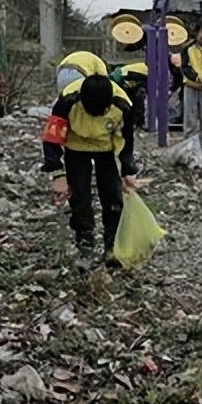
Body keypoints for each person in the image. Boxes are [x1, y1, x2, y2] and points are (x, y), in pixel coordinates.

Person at [41, 73, 138, 268]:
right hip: (76, 148)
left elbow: (127, 140)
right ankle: (85, 246)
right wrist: (58, 174)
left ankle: (112, 247)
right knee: (79, 198)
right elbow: (52, 138)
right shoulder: (67, 101)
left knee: (112, 198)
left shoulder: (122, 105)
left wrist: (127, 169)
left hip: (107, 150)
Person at [181, 21, 202, 139]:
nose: (200, 36)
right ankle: (189, 145)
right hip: (191, 85)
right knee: (190, 119)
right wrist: (196, 77)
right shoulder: (188, 48)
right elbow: (184, 67)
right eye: (199, 33)